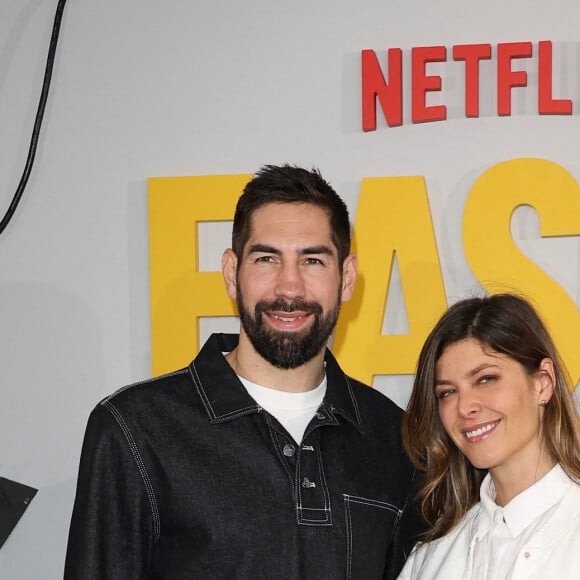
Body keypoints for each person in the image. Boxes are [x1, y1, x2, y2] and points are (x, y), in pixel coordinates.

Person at [64, 164, 423, 579]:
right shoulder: (136, 430)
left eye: (312, 261)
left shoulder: (394, 440)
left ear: (346, 278)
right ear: (232, 273)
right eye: (267, 258)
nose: (289, 289)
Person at [398, 293, 580, 580]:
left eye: (486, 379)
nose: (465, 406)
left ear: (543, 383)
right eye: (447, 392)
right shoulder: (431, 557)